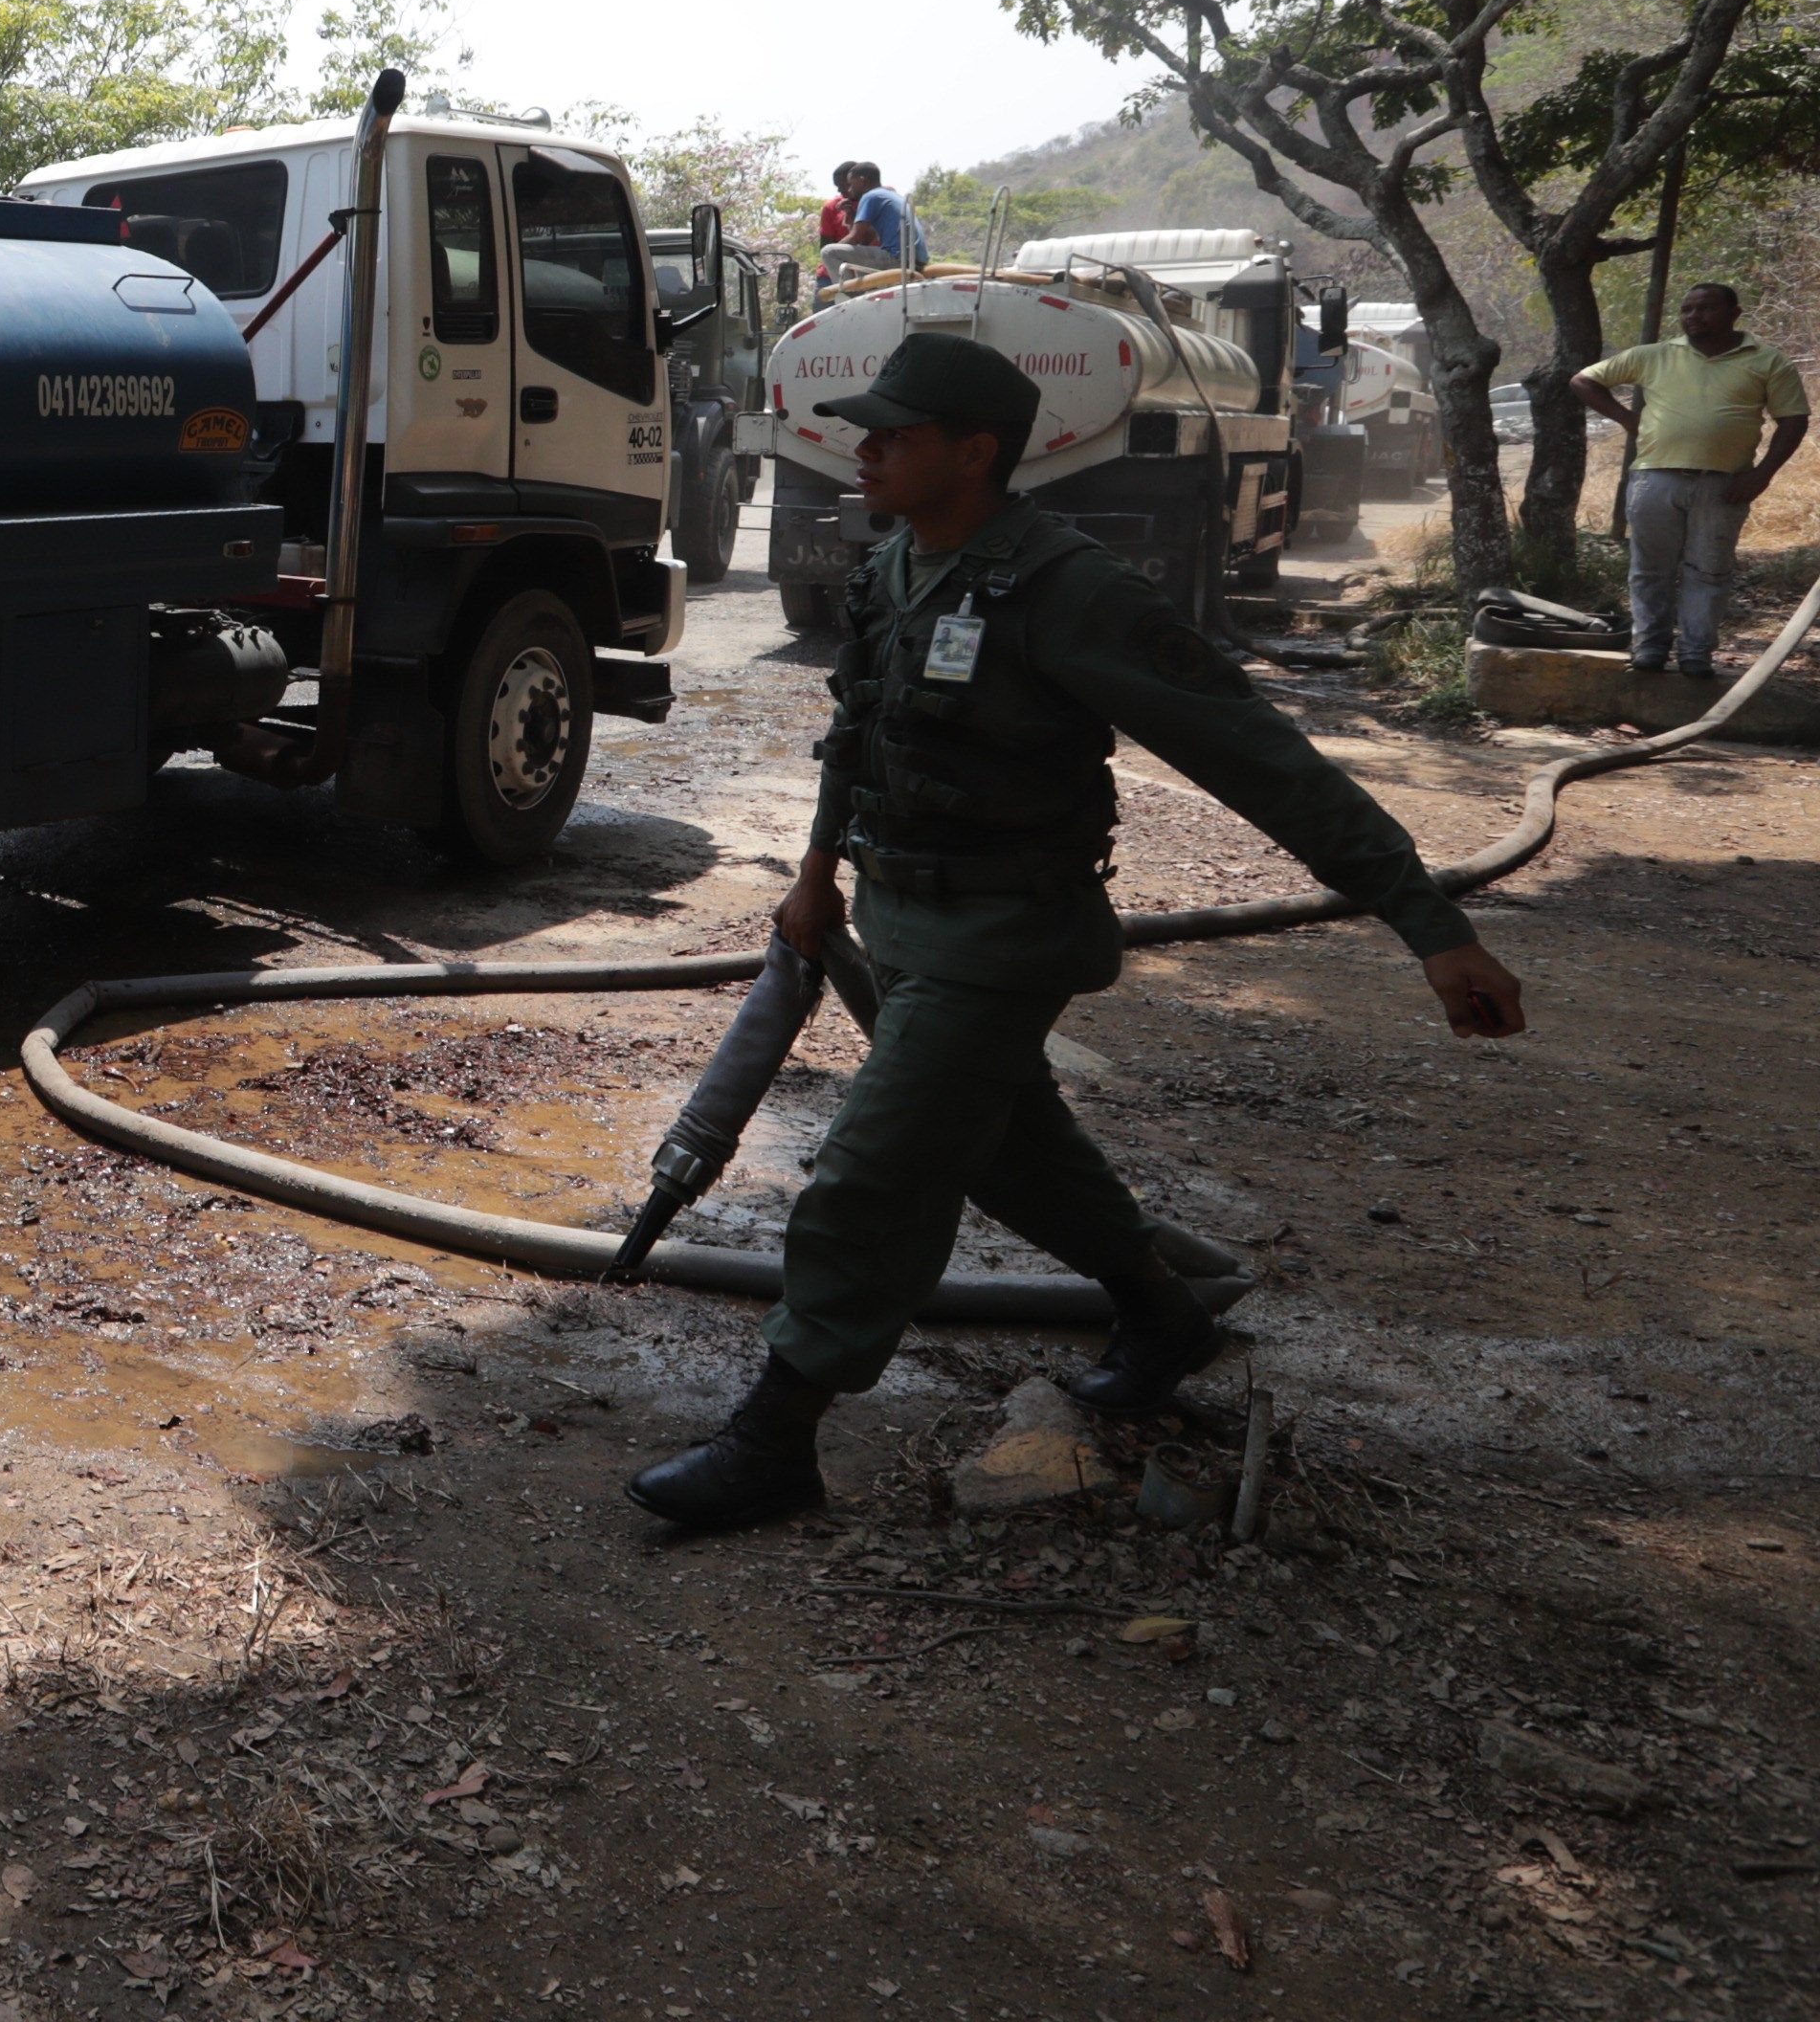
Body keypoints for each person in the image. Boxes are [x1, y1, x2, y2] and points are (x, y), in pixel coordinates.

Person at [625, 332, 1529, 1534]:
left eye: (895, 432)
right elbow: (859, 734)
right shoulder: (897, 564)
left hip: (1006, 935)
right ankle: (1162, 1309)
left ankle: (775, 1438)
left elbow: (1257, 756)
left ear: (976, 450)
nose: (865, 447)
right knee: (1007, 1147)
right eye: (866, 428)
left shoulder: (1072, 588)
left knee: (871, 1172)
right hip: (901, 917)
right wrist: (815, 874)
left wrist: (1431, 925)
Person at [1573, 281, 1808, 678]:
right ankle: (1649, 648)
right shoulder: (1655, 355)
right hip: (1654, 479)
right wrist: (1630, 421)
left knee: (1709, 570)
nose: (1692, 317)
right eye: (1686, 310)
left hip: (1725, 484)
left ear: (1735, 313)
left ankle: (1696, 653)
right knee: (1650, 569)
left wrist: (1763, 474)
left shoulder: (1768, 361)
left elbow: (1794, 420)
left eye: (1705, 309)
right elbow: (1583, 380)